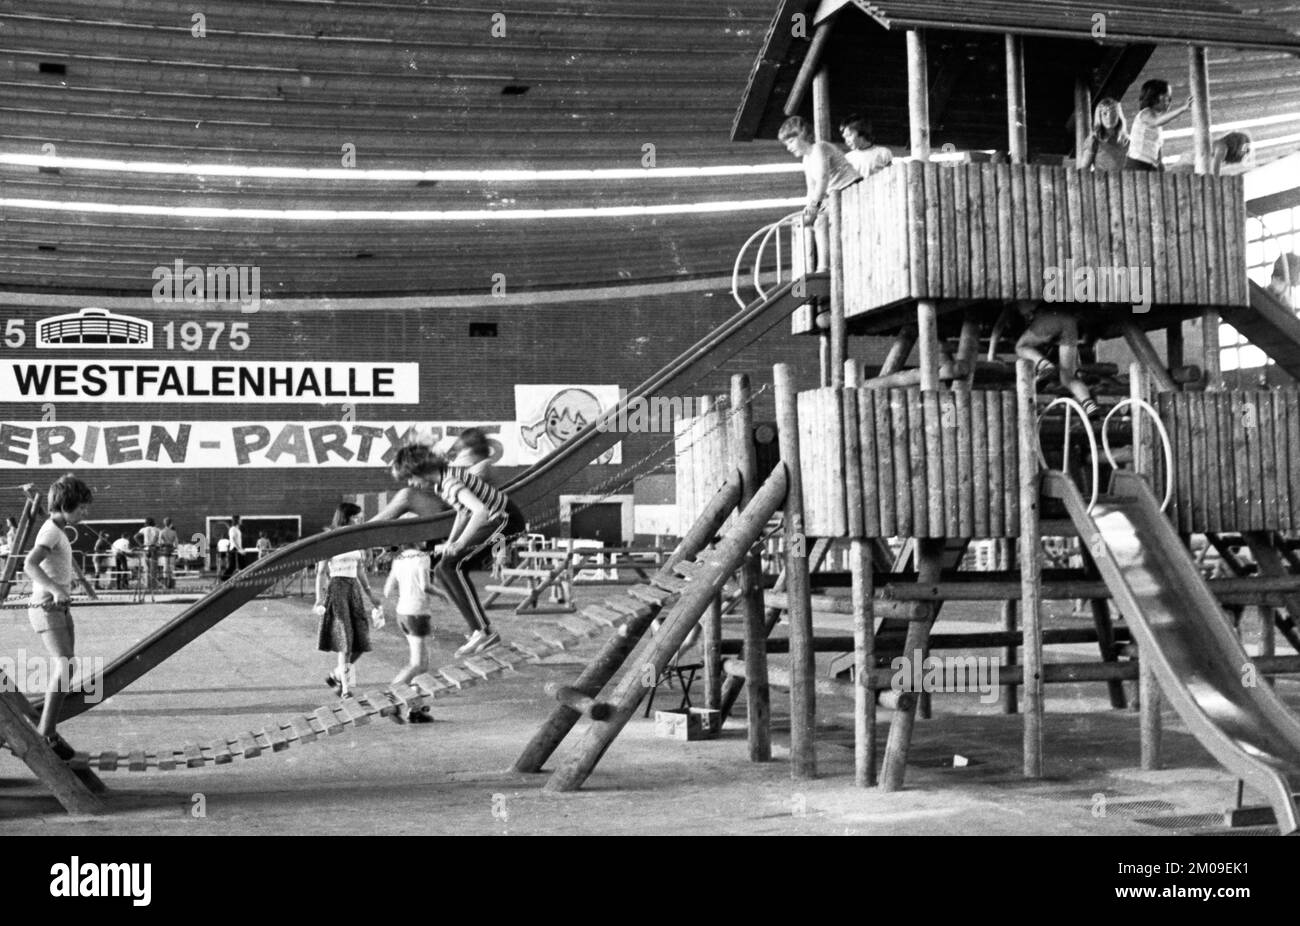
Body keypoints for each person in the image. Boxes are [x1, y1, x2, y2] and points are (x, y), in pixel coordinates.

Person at [375, 444, 526, 657]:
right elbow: (463, 513)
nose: (411, 484)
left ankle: (483, 631)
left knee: (452, 566)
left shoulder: (449, 481)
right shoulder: (443, 482)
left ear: (422, 472)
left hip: (504, 519)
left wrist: (461, 543)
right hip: (496, 518)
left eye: (411, 478)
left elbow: (480, 511)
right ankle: (480, 630)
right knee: (442, 569)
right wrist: (451, 541)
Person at [23, 474, 94, 760]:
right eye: (81, 508)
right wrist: (55, 589)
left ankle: (48, 730)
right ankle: (46, 735)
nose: (85, 513)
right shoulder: (52, 531)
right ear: (66, 505)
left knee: (69, 666)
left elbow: (47, 517)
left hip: (58, 607)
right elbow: (30, 564)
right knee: (65, 667)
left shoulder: (55, 524)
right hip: (45, 607)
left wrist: (33, 499)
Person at [314, 503, 382, 699]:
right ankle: (345, 689)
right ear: (347, 517)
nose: (360, 521)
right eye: (357, 518)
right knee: (345, 641)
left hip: (353, 590)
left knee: (360, 641)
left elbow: (360, 569)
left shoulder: (356, 539)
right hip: (337, 589)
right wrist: (319, 598)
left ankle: (336, 675)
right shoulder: (331, 539)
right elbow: (320, 572)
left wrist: (370, 594)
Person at [778, 115, 861, 271]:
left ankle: (824, 266)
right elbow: (811, 189)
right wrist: (807, 211)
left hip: (851, 190)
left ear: (801, 134)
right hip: (835, 196)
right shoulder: (806, 160)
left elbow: (823, 180)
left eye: (790, 141)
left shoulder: (819, 148)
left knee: (821, 222)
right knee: (808, 223)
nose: (788, 147)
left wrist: (814, 208)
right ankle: (809, 270)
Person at [383, 542, 437, 723]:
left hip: (402, 612)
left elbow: (387, 589)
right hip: (417, 613)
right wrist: (442, 593)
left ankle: (416, 710)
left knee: (423, 664)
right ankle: (391, 696)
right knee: (417, 665)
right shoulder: (423, 557)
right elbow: (425, 586)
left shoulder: (399, 559)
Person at [1015, 305, 1100, 417]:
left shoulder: (1013, 305)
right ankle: (1089, 404)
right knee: (1068, 377)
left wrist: (991, 353)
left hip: (1051, 319)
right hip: (1070, 324)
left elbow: (999, 326)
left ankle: (1044, 365)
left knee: (1021, 347)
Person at [1126, 79, 1191, 172]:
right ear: (1156, 97)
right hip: (1137, 164)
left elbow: (1157, 147)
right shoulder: (1145, 114)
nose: (1169, 101)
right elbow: (1156, 121)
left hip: (1149, 165)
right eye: (1167, 97)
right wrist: (1183, 108)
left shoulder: (1157, 123)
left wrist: (1160, 165)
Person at [1078, 98, 1129, 172]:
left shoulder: (1127, 141)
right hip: (1101, 181)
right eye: (1105, 113)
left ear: (1119, 116)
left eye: (1113, 113)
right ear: (1099, 116)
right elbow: (1084, 170)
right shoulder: (1093, 140)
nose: (1109, 117)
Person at [134, 516, 161, 590]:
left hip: (145, 548)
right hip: (153, 548)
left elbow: (135, 536)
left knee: (146, 568)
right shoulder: (157, 529)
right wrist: (153, 544)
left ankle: (147, 585)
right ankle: (153, 586)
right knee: (153, 568)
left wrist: (141, 545)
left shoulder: (143, 529)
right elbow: (156, 538)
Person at [158, 517, 178, 589]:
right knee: (172, 567)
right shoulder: (173, 532)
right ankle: (172, 584)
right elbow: (176, 543)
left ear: (164, 523)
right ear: (171, 523)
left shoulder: (161, 531)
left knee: (165, 567)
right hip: (171, 550)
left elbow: (159, 542)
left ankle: (165, 584)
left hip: (164, 550)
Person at [223, 515, 243, 580]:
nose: (241, 520)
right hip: (234, 549)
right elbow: (233, 539)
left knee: (242, 565)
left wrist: (240, 548)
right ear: (237, 520)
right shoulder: (233, 529)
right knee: (232, 566)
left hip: (238, 549)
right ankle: (224, 579)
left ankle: (243, 578)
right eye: (240, 519)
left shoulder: (237, 529)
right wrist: (239, 549)